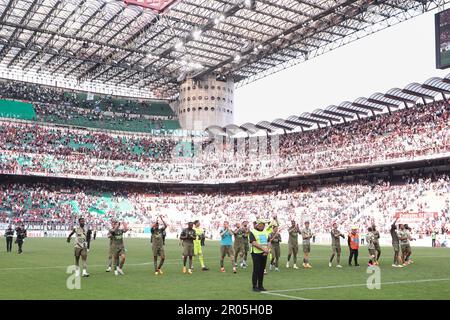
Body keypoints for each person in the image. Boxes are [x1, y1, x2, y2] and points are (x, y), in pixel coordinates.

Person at [249, 219, 270, 292]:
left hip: (264, 253)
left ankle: (260, 286)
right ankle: (254, 286)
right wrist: (264, 249)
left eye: (264, 224)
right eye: (262, 224)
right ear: (258, 224)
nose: (263, 225)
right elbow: (254, 243)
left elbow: (268, 242)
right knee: (256, 269)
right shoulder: (252, 232)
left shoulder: (265, 232)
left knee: (262, 270)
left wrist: (267, 250)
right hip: (256, 253)